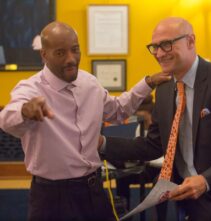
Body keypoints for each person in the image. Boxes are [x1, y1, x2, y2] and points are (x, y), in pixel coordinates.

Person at [100, 17, 211, 221]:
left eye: (167, 44)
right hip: (195, 205)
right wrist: (103, 144)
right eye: (155, 47)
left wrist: (206, 180)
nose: (159, 53)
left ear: (191, 41)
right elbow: (154, 145)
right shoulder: (164, 89)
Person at [0, 21, 170, 221]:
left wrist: (148, 83)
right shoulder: (31, 89)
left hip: (93, 190)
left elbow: (117, 110)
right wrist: (25, 110)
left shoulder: (89, 83)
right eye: (61, 53)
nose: (71, 59)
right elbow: (7, 118)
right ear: (44, 55)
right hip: (52, 197)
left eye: (75, 50)